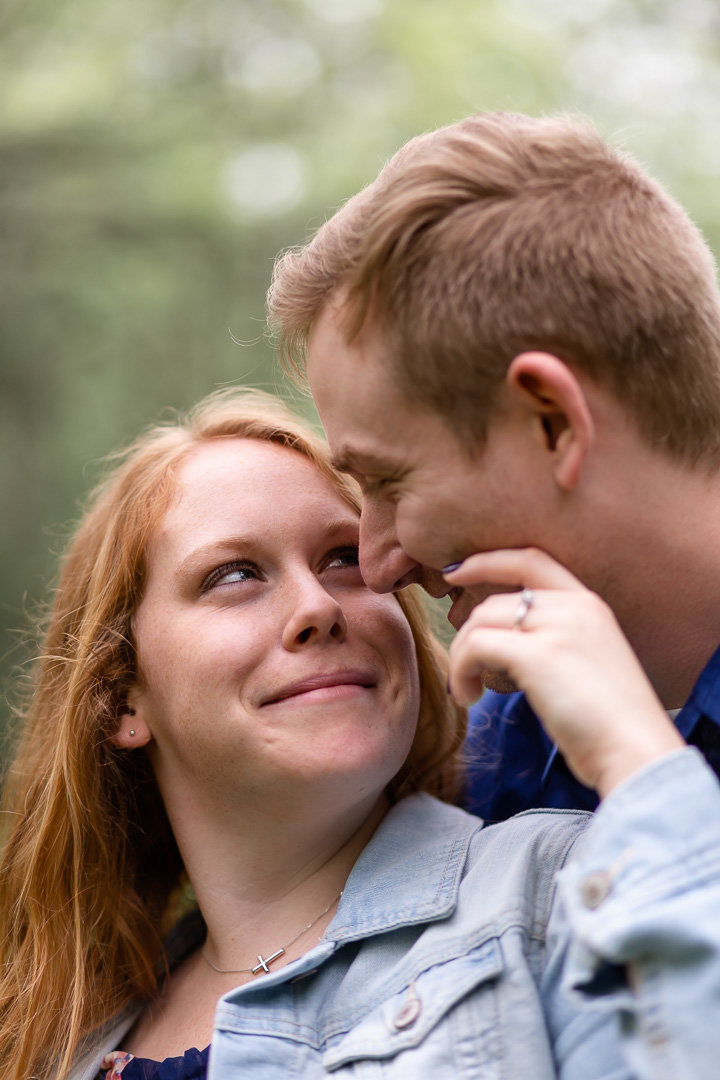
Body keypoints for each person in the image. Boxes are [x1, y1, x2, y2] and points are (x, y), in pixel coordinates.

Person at [2, 388, 719, 1080]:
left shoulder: (571, 890)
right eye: (235, 575)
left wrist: (638, 758)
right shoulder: (54, 1034)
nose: (316, 606)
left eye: (341, 559)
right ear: (123, 699)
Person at [267, 109, 720, 820]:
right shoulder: (496, 753)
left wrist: (637, 767)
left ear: (553, 422)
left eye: (388, 481)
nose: (381, 566)